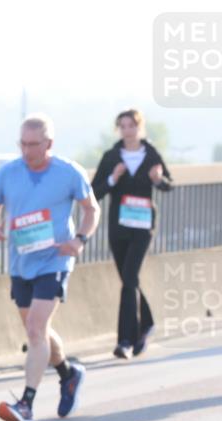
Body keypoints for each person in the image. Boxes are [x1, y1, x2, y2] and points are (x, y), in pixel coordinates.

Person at [0, 114, 100, 421]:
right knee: (38, 332)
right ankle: (68, 374)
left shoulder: (68, 172)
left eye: (34, 144)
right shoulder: (7, 173)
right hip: (21, 263)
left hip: (55, 260)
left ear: (49, 144)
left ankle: (26, 405)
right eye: (23, 143)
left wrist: (80, 239)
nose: (27, 150)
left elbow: (92, 208)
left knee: (35, 327)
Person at [91, 109, 173, 359]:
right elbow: (95, 192)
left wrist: (158, 180)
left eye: (132, 126)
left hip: (143, 227)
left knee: (129, 278)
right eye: (123, 126)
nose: (128, 131)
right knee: (129, 280)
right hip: (119, 227)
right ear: (119, 129)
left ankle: (125, 340)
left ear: (140, 128)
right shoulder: (112, 156)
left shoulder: (151, 155)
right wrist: (113, 178)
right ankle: (146, 324)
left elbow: (168, 185)